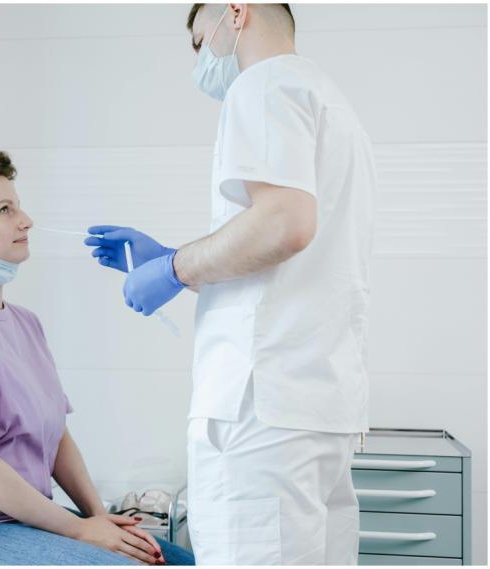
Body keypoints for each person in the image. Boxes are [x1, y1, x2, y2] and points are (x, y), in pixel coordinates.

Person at [85, 3, 375, 565]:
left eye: (200, 41)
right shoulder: (334, 106)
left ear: (235, 13)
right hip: (320, 407)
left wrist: (173, 268)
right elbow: (289, 265)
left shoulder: (262, 84)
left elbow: (285, 225)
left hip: (260, 413)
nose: (201, 60)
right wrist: (170, 259)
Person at [0, 146, 195, 566]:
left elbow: (57, 438)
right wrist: (80, 530)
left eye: (18, 206)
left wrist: (99, 518)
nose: (25, 220)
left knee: (177, 561)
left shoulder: (25, 323)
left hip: (27, 522)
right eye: (4, 210)